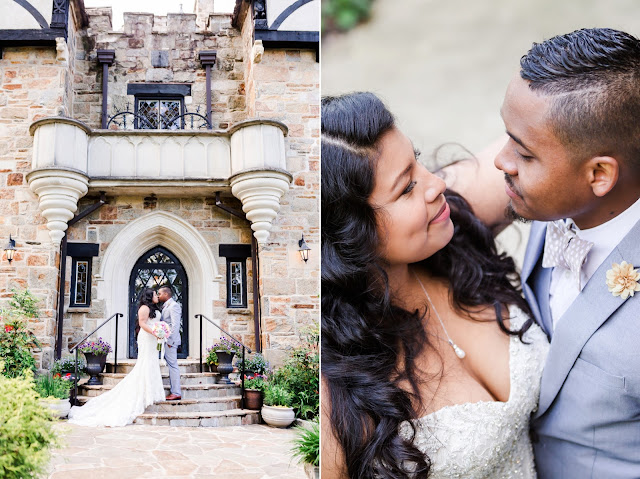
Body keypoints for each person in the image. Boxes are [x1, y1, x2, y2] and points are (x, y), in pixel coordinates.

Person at [320, 92, 549, 478]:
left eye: (418, 160)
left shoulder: (448, 219)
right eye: (406, 187)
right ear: (349, 235)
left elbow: (554, 136)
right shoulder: (333, 393)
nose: (435, 185)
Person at [485, 28, 640, 479]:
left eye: (525, 153)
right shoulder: (551, 200)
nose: (500, 160)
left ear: (598, 174)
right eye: (506, 134)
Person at [68, 288, 166, 427]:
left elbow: (154, 323)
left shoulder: (154, 308)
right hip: (146, 337)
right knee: (145, 363)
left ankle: (149, 392)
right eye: (155, 294)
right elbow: (143, 324)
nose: (157, 296)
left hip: (152, 339)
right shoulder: (144, 308)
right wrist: (155, 332)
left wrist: (160, 330)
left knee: (151, 363)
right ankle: (143, 393)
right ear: (150, 296)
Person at [157, 285, 182, 400]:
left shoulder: (174, 306)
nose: (158, 295)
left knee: (173, 365)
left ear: (166, 294)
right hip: (164, 340)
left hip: (170, 341)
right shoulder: (166, 306)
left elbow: (175, 325)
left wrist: (170, 340)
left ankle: (176, 392)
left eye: (159, 293)